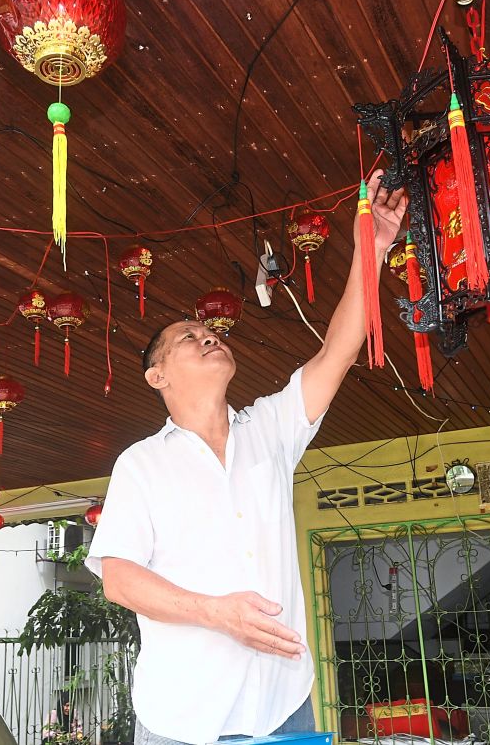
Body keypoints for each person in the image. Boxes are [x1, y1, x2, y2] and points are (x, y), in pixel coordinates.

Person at [86, 170, 408, 745]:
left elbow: (339, 350)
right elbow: (119, 579)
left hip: (286, 708)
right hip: (183, 724)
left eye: (209, 329)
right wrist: (219, 614)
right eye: (188, 335)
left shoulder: (269, 429)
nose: (207, 334)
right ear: (157, 376)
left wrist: (373, 249)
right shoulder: (141, 464)